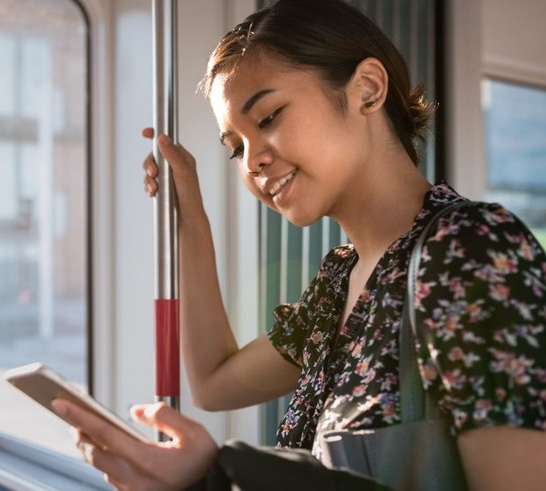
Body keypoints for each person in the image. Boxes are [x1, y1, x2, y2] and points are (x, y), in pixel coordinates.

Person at [51, 0, 546, 489]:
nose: (251, 163)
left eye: (267, 118)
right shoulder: (339, 283)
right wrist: (191, 221)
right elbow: (214, 383)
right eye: (235, 149)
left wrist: (220, 476)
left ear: (367, 90)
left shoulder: (469, 250)